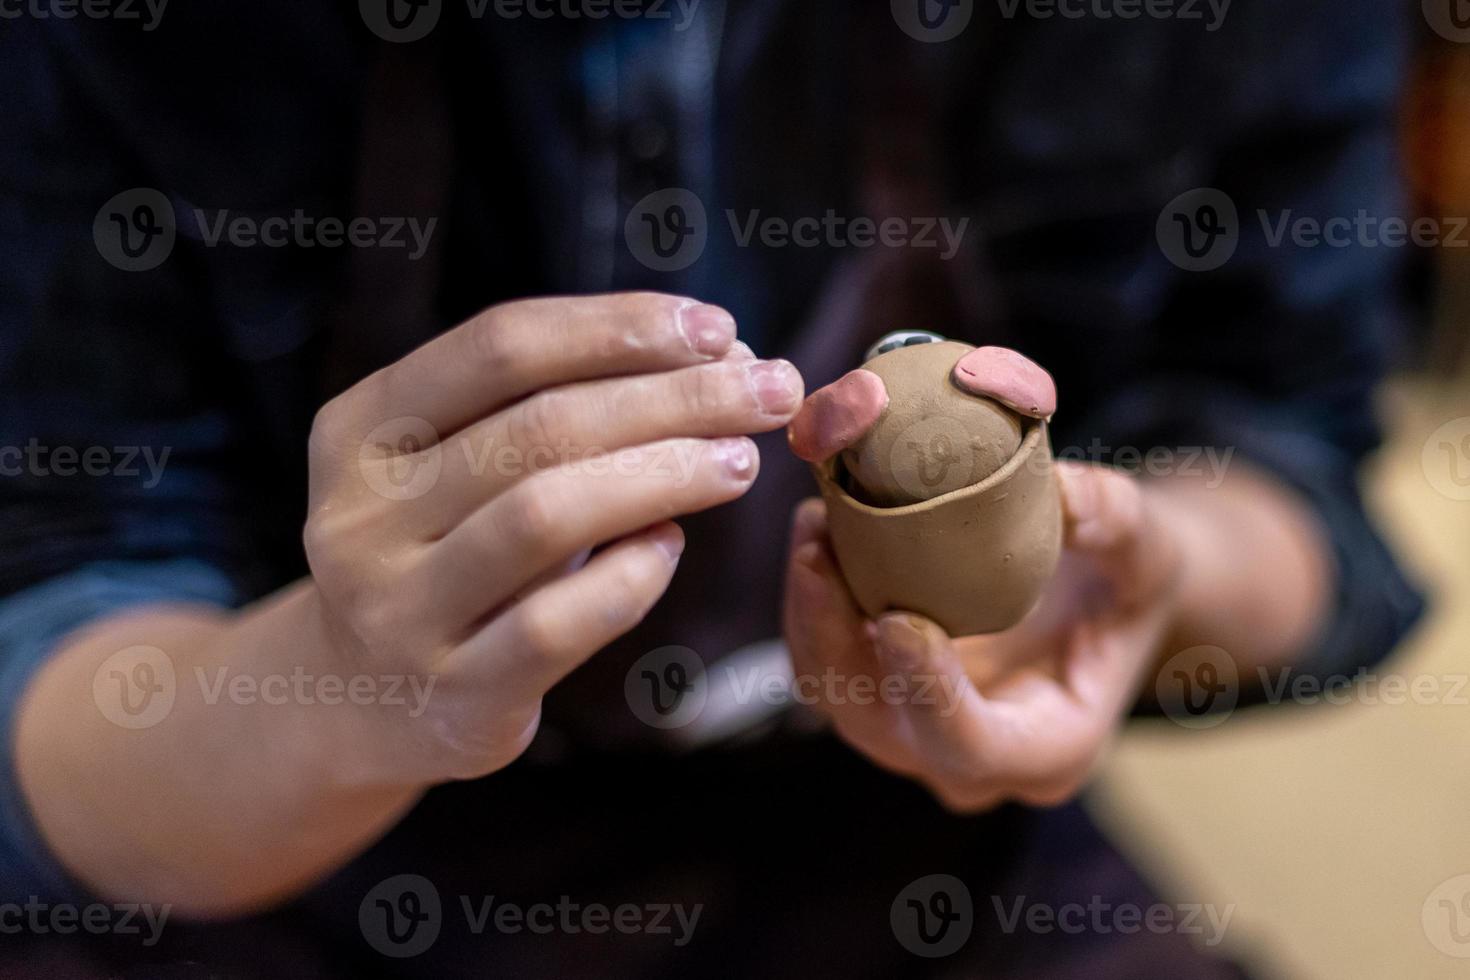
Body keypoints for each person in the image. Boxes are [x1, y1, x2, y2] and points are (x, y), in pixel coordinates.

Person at [0, 1, 1423, 976]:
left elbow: (1291, 452)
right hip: (288, 859)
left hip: (917, 853)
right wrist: (331, 688)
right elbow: (61, 624)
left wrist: (1144, 566)